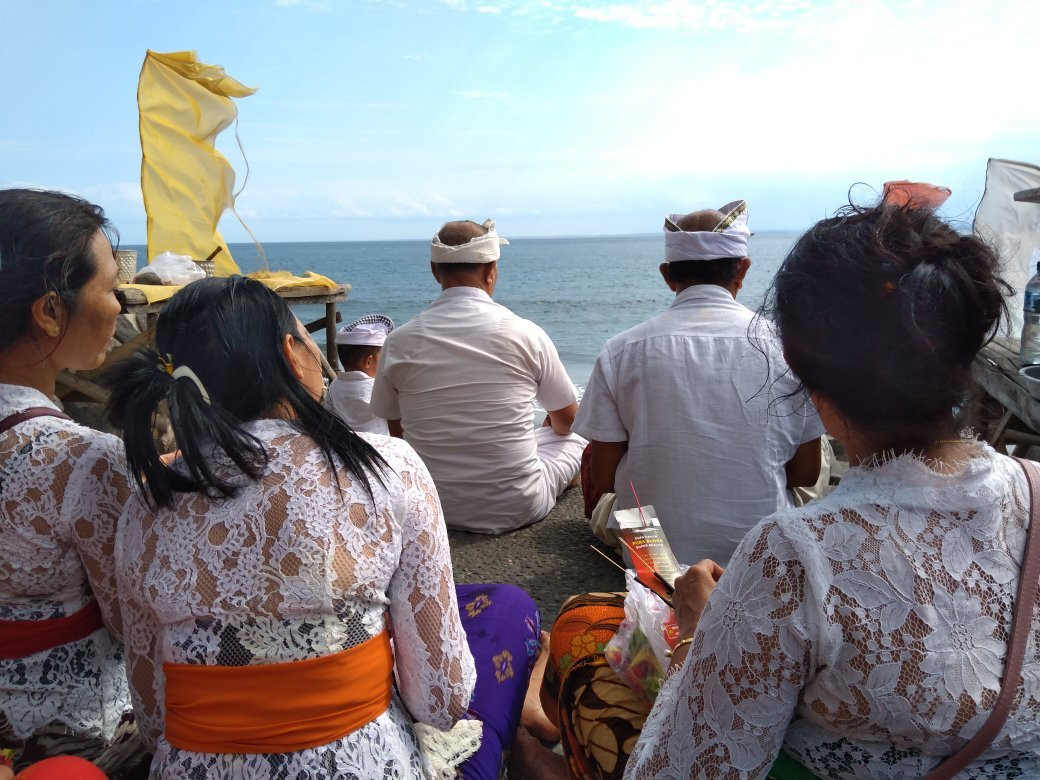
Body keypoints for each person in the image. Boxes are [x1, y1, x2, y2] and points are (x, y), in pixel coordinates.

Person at [626, 203, 1040, 777]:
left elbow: (684, 767)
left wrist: (696, 635)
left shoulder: (798, 551)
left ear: (796, 362)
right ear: (967, 349)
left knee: (584, 648)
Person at [107, 275, 545, 779]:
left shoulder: (144, 507)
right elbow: (441, 699)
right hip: (359, 764)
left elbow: (153, 718)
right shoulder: (388, 467)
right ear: (290, 353)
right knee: (508, 611)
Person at [576, 200, 824, 565]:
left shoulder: (621, 350)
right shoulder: (788, 347)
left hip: (654, 562)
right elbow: (805, 473)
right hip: (758, 559)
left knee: (610, 509)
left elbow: (606, 477)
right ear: (743, 269)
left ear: (666, 274)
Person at [0, 189, 145, 776]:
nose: (122, 303)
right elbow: (131, 623)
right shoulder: (80, 459)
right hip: (65, 734)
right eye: (110, 288)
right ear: (50, 312)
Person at [370, 219, 586, 533]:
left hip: (433, 506)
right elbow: (569, 422)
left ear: (435, 270)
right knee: (573, 438)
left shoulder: (399, 340)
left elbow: (399, 434)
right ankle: (564, 482)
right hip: (520, 506)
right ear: (491, 270)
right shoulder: (525, 333)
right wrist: (553, 423)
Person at [326, 314, 394, 434]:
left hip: (346, 445)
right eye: (383, 358)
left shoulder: (334, 386)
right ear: (368, 361)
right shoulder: (377, 387)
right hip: (379, 447)